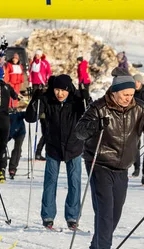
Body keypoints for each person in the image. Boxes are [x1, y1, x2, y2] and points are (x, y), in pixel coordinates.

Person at [75, 68, 144, 249]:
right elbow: (80, 132)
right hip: (100, 163)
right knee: (105, 210)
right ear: (114, 92)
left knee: (115, 213)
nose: (128, 98)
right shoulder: (99, 107)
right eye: (125, 95)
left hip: (122, 166)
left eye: (131, 94)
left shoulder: (139, 108)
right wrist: (97, 124)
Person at [26, 74, 85, 230]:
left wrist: (86, 97)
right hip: (53, 147)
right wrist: (35, 99)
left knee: (74, 182)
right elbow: (30, 118)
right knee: (50, 182)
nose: (60, 94)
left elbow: (88, 115)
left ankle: (72, 217)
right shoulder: (47, 100)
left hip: (74, 147)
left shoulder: (76, 101)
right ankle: (48, 216)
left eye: (63, 91)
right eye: (57, 90)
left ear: (68, 90)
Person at [8, 107, 27, 179]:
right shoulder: (3, 116)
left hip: (20, 132)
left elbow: (27, 114)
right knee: (0, 146)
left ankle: (12, 168)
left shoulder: (18, 115)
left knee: (17, 148)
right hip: (7, 132)